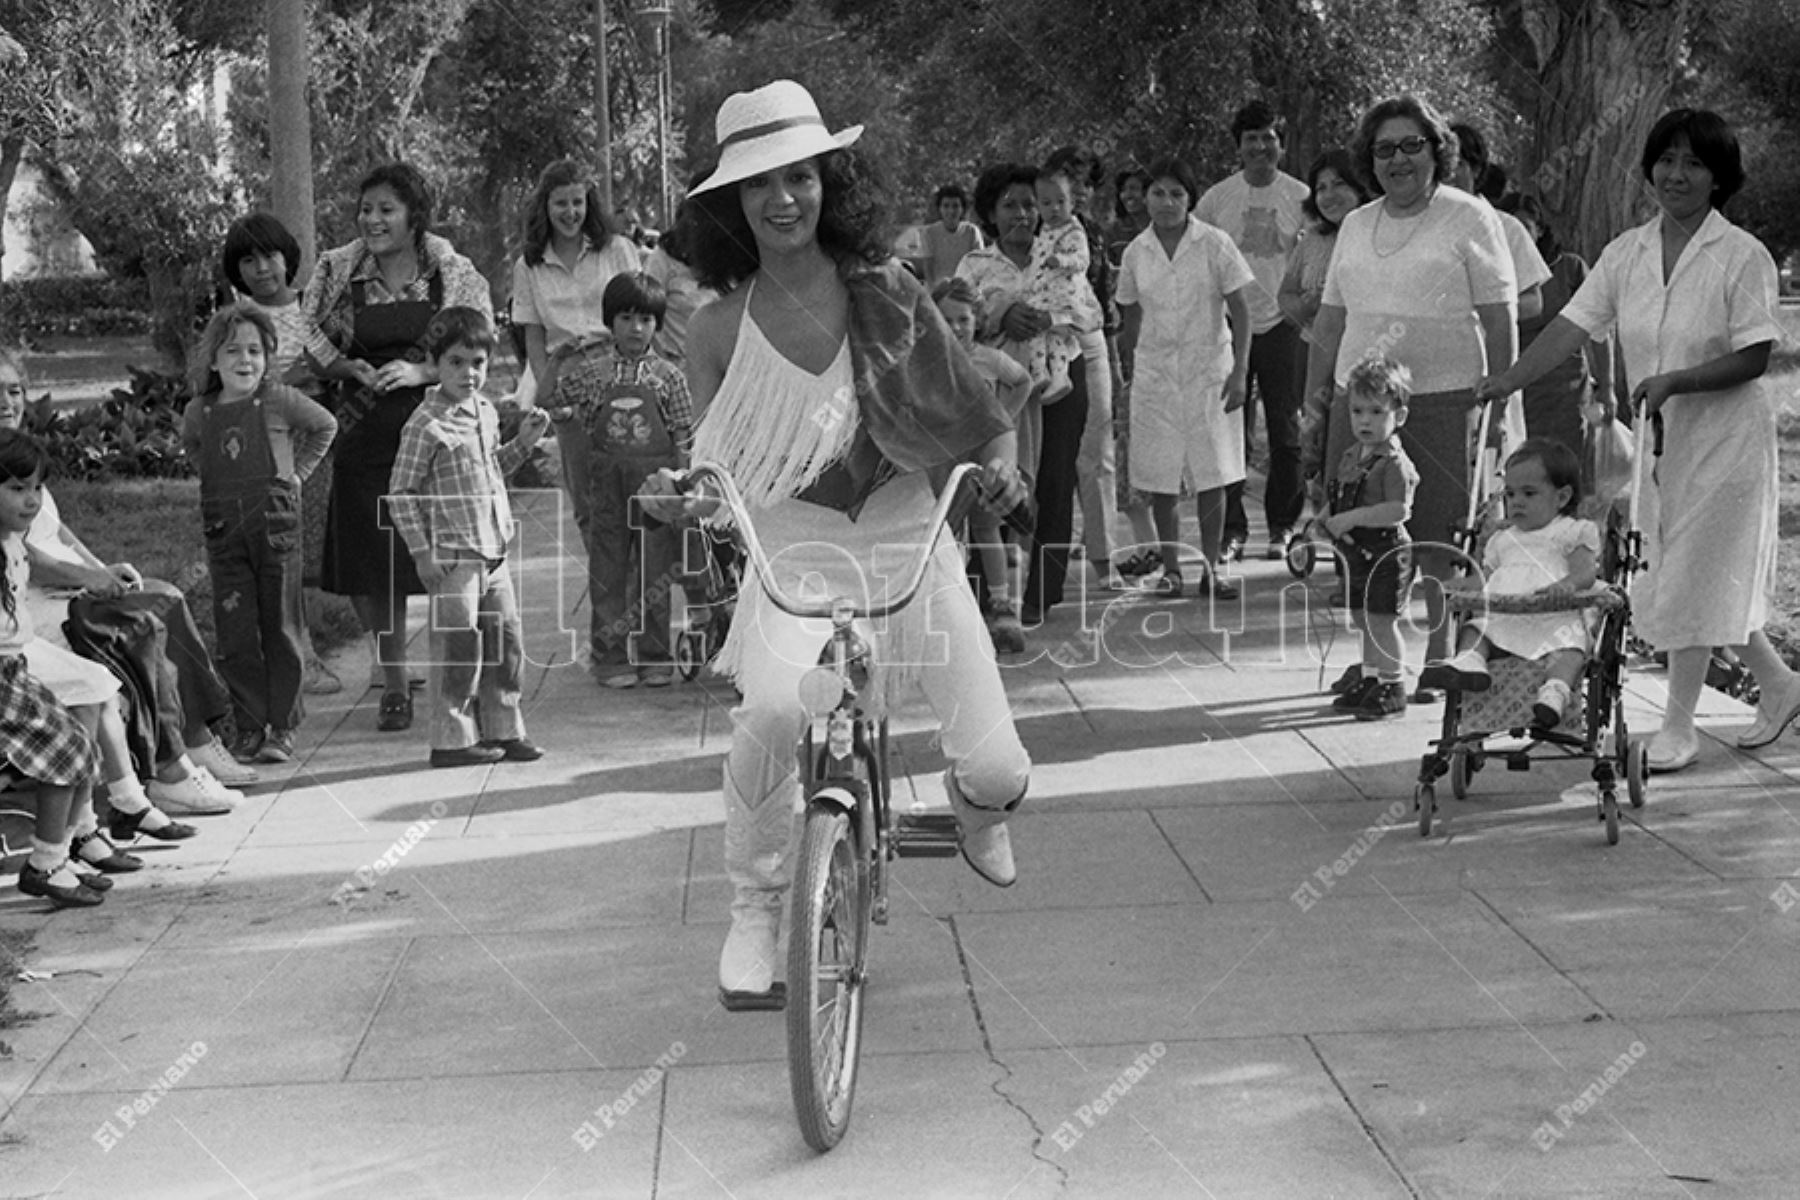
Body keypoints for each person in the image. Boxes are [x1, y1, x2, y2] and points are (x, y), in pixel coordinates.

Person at [651, 79, 1031, 1011]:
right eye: (757, 186)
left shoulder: (888, 290)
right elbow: (716, 470)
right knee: (774, 717)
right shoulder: (712, 328)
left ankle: (975, 813)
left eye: (801, 177)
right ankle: (756, 908)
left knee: (998, 768)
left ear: (832, 181)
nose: (783, 200)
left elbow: (980, 416)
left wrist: (1004, 466)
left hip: (909, 539)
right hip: (795, 558)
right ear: (729, 207)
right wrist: (689, 503)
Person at [1476, 108, 1800, 772]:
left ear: (1718, 178)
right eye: (1667, 160)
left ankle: (1678, 728)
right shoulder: (1627, 251)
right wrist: (1508, 379)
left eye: (1694, 163)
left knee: (1690, 577)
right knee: (1696, 574)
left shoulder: (1742, 254)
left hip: (1728, 444)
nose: (1676, 174)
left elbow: (1756, 355)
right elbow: (1570, 325)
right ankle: (1784, 688)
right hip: (1660, 446)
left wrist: (1677, 379)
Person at [1305, 95, 1518, 696]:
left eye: (1410, 145)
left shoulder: (1470, 216)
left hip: (1444, 400)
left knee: (1436, 542)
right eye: (1383, 149)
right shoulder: (1354, 223)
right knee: (1364, 538)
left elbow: (1501, 318)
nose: (1397, 159)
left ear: (1436, 149)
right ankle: (1379, 662)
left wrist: (1500, 402)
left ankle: (1438, 657)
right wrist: (1313, 405)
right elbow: (1328, 324)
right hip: (1362, 406)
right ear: (1368, 160)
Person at [5, 351, 253, 809]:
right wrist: (89, 578)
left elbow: (56, 530)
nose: (7, 402)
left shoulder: (20, 455)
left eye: (14, 391)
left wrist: (101, 566)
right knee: (144, 623)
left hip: (72, 582)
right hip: (40, 599)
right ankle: (167, 767)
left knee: (166, 596)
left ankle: (196, 744)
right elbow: (26, 556)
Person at [304, 162, 492, 734]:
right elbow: (302, 332)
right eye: (366, 209)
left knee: (446, 558)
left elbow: (479, 335)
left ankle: (459, 679)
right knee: (372, 561)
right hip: (363, 431)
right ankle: (392, 673)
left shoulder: (450, 270)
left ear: (414, 217)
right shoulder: (339, 269)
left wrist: (423, 371)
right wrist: (342, 364)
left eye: (387, 209)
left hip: (436, 432)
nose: (372, 220)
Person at [387, 307, 550, 768]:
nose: (468, 373)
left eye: (477, 363)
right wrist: (422, 552)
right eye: (456, 362)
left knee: (506, 642)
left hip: (494, 551)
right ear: (435, 364)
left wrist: (525, 443)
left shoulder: (484, 412)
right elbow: (400, 493)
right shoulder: (424, 423)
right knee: (459, 647)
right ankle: (451, 738)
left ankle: (504, 727)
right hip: (454, 556)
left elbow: (492, 470)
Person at [180, 305, 338, 764]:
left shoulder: (280, 399)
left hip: (276, 533)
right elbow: (194, 448)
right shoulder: (199, 411)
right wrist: (209, 474)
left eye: (255, 350)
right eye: (233, 351)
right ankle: (248, 725)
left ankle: (282, 726)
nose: (245, 360)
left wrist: (299, 474)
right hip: (225, 534)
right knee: (236, 634)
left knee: (282, 628)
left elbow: (326, 425)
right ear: (213, 360)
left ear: (267, 357)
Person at [221, 212, 350, 697]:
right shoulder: (234, 319)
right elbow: (223, 380)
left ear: (288, 258)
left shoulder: (312, 310)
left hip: (311, 447)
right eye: (247, 260)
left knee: (306, 552)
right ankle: (296, 660)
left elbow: (334, 363)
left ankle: (324, 652)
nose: (260, 269)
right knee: (273, 555)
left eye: (269, 256)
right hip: (255, 449)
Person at [1115, 156, 1254, 601]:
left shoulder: (1214, 244)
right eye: (1158, 193)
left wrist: (1239, 374)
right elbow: (1129, 315)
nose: (1168, 202)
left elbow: (1242, 312)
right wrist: (1129, 373)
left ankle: (1213, 568)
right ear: (1145, 198)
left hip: (1208, 372)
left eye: (1177, 193)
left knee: (1212, 472)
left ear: (1191, 198)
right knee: (1160, 476)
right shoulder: (1136, 252)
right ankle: (1171, 568)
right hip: (1155, 374)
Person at [957, 163, 1087, 624]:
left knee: (1053, 482)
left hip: (1060, 377)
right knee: (992, 484)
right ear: (991, 213)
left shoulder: (1062, 251)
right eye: (1009, 205)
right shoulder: (975, 264)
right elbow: (956, 321)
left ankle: (1040, 595)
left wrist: (1052, 319)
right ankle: (988, 595)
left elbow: (1087, 312)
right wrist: (1000, 316)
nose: (1022, 214)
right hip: (997, 390)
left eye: (1030, 204)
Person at [550, 272, 694, 688]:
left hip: (655, 485)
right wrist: (559, 359)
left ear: (657, 325)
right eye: (627, 317)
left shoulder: (669, 377)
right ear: (610, 322)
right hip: (607, 485)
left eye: (646, 319)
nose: (636, 328)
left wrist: (680, 484)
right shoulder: (594, 374)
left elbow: (683, 432)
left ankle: (654, 655)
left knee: (655, 570)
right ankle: (610, 657)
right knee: (608, 569)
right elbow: (549, 399)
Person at [1197, 101, 1313, 563]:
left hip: (1284, 327)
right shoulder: (1216, 199)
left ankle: (1281, 526)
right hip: (1228, 328)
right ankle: (1231, 530)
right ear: (1238, 147)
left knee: (1287, 431)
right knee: (1228, 431)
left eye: (1269, 138)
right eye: (1251, 139)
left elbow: (1318, 259)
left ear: (1280, 145)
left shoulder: (1302, 197)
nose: (1260, 147)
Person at [509, 160, 641, 553]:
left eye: (578, 203)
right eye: (560, 204)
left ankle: (640, 580)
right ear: (545, 208)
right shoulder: (528, 264)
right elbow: (533, 337)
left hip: (619, 364)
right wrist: (548, 397)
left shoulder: (616, 250)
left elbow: (640, 314)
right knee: (586, 498)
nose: (570, 213)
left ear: (590, 204)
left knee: (632, 487)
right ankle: (608, 584)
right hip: (566, 373)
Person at [2, 428, 110, 906]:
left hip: (15, 666)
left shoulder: (12, 539)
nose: (30, 500)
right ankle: (45, 865)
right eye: (16, 489)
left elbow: (36, 565)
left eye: (36, 488)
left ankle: (56, 856)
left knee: (79, 746)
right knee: (67, 750)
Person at [1421, 438, 1598, 728]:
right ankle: (1469, 663)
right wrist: (1464, 585)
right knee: (1476, 629)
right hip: (1504, 616)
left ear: (1562, 497)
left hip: (1553, 617)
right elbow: (1486, 579)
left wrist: (1567, 585)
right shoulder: (1502, 538)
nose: (1516, 501)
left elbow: (1585, 572)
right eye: (1511, 493)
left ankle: (1555, 692)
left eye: (1529, 493)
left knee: (1571, 648)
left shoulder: (1572, 532)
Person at [934, 276, 1033, 653]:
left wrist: (1003, 419)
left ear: (977, 319)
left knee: (987, 528)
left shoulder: (989, 360)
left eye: (963, 319)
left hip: (983, 454)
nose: (956, 328)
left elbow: (1023, 381)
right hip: (947, 455)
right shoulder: (930, 362)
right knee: (947, 529)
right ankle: (954, 605)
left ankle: (1002, 604)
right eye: (946, 320)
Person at [1042, 146, 1121, 596]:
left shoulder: (1090, 234)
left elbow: (1106, 304)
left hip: (1087, 343)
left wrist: (1113, 364)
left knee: (1097, 458)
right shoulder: (1033, 233)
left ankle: (1105, 558)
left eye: (1084, 183)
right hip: (1041, 345)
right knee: (1048, 461)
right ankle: (1040, 560)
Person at [1321, 358, 1419, 721]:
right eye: (1357, 411)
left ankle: (1393, 685)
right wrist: (1323, 519)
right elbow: (1339, 496)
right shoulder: (1352, 454)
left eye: (1377, 411)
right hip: (1353, 551)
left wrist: (1351, 518)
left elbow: (1398, 510)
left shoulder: (1393, 463)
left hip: (1387, 550)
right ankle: (1370, 675)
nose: (1365, 421)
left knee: (1381, 619)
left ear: (1400, 416)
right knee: (1361, 616)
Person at [1497, 194, 1611, 468]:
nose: (1517, 235)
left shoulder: (1569, 268)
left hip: (1566, 394)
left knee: (1566, 470)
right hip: (1519, 392)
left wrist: (1607, 387)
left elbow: (1600, 330)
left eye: (1525, 227)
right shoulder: (1496, 279)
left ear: (1539, 230)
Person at [1024, 165, 1100, 403]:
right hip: (1047, 293)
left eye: (1061, 201)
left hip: (1064, 296)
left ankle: (1044, 372)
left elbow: (1081, 260)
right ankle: (1051, 374)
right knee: (1049, 336)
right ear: (1038, 206)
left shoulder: (1074, 231)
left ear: (1072, 202)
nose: (1054, 208)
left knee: (1040, 327)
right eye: (1046, 203)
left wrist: (1062, 260)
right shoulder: (1046, 230)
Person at [641, 191, 719, 365]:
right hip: (674, 364)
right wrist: (662, 366)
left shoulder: (729, 260)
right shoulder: (662, 260)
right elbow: (643, 312)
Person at [919, 183, 985, 286]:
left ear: (962, 209)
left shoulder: (972, 231)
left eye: (955, 206)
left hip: (965, 291)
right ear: (939, 208)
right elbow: (928, 267)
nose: (951, 211)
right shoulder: (929, 233)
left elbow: (979, 264)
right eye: (946, 206)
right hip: (939, 291)